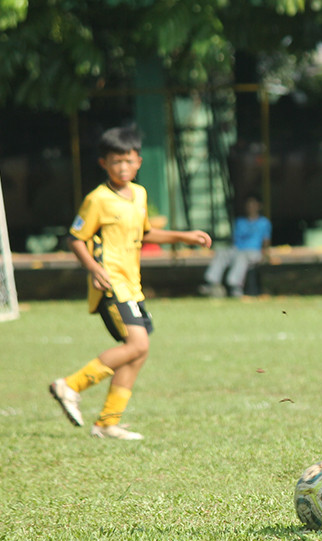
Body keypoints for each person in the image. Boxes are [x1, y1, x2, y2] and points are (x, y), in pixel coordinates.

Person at [49, 126, 212, 440]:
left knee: (139, 352)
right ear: (104, 164)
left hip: (132, 284)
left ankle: (108, 422)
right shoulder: (97, 199)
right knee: (137, 344)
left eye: (128, 160)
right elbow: (75, 238)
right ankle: (69, 386)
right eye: (115, 162)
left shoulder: (139, 194)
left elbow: (144, 233)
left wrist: (182, 236)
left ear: (138, 161)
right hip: (110, 284)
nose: (123, 167)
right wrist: (93, 268)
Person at [199, 194, 272, 298]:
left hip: (253, 251)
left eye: (253, 204)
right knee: (221, 252)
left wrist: (265, 254)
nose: (250, 207)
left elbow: (266, 241)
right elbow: (234, 240)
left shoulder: (264, 222)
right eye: (248, 204)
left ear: (259, 206)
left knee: (241, 257)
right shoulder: (240, 222)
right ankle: (212, 282)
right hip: (238, 249)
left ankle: (235, 287)